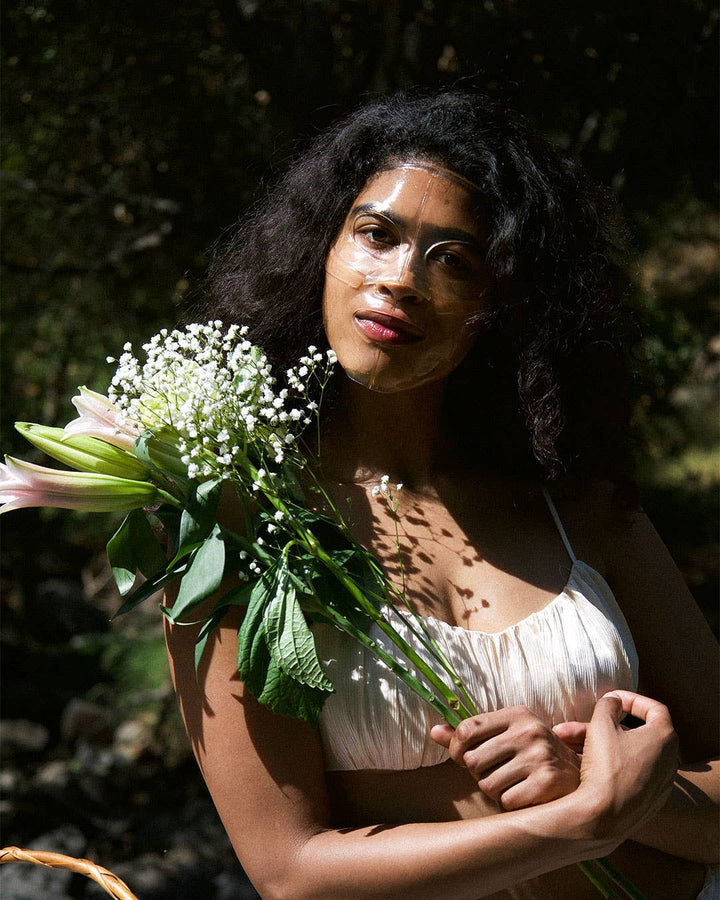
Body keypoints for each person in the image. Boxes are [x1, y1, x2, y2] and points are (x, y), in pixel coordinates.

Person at [165, 90, 719, 899]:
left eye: (454, 259)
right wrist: (579, 817)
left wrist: (591, 782)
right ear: (324, 248)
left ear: (504, 302)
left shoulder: (580, 507)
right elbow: (289, 871)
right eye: (376, 234)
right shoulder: (238, 527)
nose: (402, 281)